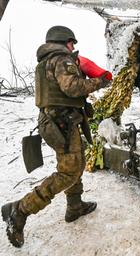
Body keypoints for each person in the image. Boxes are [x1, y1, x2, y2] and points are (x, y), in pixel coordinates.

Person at [1, 25, 111, 248]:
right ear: (63, 41)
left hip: (59, 121)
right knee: (69, 171)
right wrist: (100, 82)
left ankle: (75, 206)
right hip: (62, 123)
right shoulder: (61, 59)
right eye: (72, 42)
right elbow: (72, 87)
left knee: (75, 163)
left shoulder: (46, 62)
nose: (73, 47)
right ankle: (20, 210)